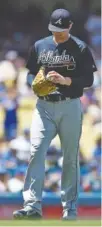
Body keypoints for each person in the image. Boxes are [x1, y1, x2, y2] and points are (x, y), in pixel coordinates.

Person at [13, 8, 97, 220]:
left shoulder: (79, 47)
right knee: (36, 151)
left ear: (69, 27)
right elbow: (31, 72)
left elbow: (89, 79)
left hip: (70, 105)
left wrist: (66, 81)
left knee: (70, 158)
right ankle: (32, 206)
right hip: (44, 106)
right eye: (54, 29)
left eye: (61, 29)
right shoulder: (41, 46)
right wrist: (34, 83)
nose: (57, 33)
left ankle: (69, 209)